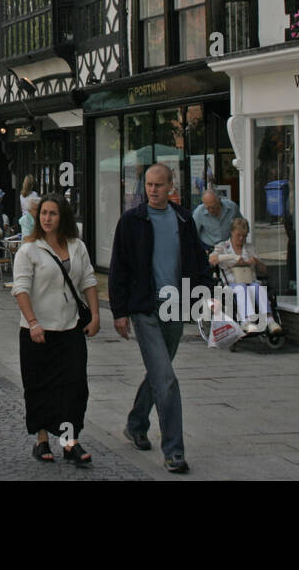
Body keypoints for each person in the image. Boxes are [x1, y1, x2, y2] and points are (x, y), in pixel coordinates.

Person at [109, 162, 212, 474]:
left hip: (176, 308)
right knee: (166, 379)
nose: (152, 190)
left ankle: (136, 423)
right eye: (149, 185)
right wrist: (120, 312)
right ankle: (174, 451)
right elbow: (119, 268)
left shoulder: (183, 219)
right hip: (145, 308)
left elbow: (197, 262)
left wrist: (206, 295)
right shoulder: (131, 221)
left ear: (171, 187)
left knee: (160, 373)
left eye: (158, 185)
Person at [13, 194, 100, 466]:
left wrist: (95, 314)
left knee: (74, 386)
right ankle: (41, 440)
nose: (47, 218)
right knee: (40, 386)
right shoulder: (29, 250)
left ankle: (70, 441)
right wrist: (33, 322)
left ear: (63, 217)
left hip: (70, 327)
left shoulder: (77, 246)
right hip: (37, 330)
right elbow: (21, 289)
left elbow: (88, 279)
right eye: (44, 214)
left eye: (53, 213)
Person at [209, 217, 281, 334]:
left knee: (258, 287)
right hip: (231, 283)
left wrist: (256, 262)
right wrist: (233, 258)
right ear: (232, 232)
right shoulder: (223, 246)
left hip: (250, 280)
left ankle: (269, 320)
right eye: (238, 235)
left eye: (244, 236)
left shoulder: (249, 248)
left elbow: (264, 270)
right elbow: (212, 259)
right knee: (242, 288)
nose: (241, 238)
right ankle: (247, 321)